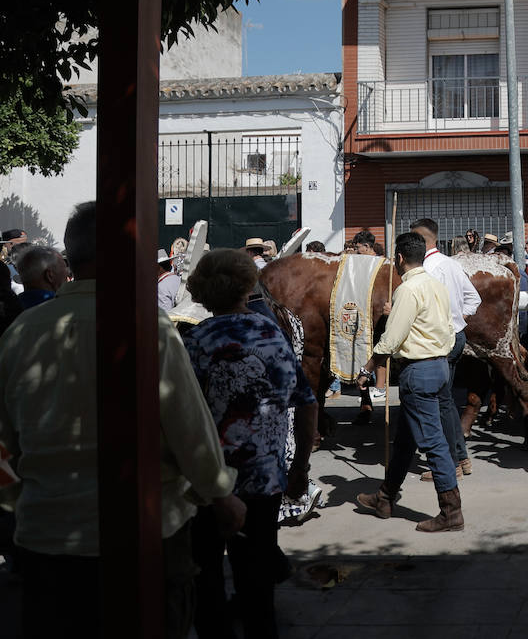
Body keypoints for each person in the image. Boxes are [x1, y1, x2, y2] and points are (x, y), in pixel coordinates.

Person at [0, 202, 243, 638]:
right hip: (146, 537)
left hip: (46, 538)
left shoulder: (21, 332)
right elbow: (189, 428)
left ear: (70, 260)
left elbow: (4, 441)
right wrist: (220, 494)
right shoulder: (148, 326)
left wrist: (24, 503)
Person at [183, 249, 317, 639]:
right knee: (257, 586)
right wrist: (299, 469)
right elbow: (306, 406)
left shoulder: (195, 341)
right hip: (264, 481)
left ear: (202, 292)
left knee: (205, 579)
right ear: (248, 287)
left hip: (208, 483)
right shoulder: (273, 338)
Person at [355, 232, 464, 532]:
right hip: (439, 366)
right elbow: (449, 328)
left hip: (419, 371)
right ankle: (385, 497)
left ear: (400, 258)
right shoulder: (437, 286)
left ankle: (451, 512)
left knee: (434, 444)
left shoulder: (408, 289)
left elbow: (391, 339)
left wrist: (367, 369)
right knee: (405, 439)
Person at [409, 218, 482, 483]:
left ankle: (451, 462)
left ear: (419, 241)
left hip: (437, 340)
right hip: (455, 336)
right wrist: (458, 317)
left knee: (439, 402)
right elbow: (474, 299)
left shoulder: (423, 269)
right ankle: (460, 457)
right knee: (445, 399)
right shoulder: (452, 264)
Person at [14, 245, 65, 311]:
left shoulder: (10, 307)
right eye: (64, 267)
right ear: (50, 275)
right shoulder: (62, 307)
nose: (68, 272)